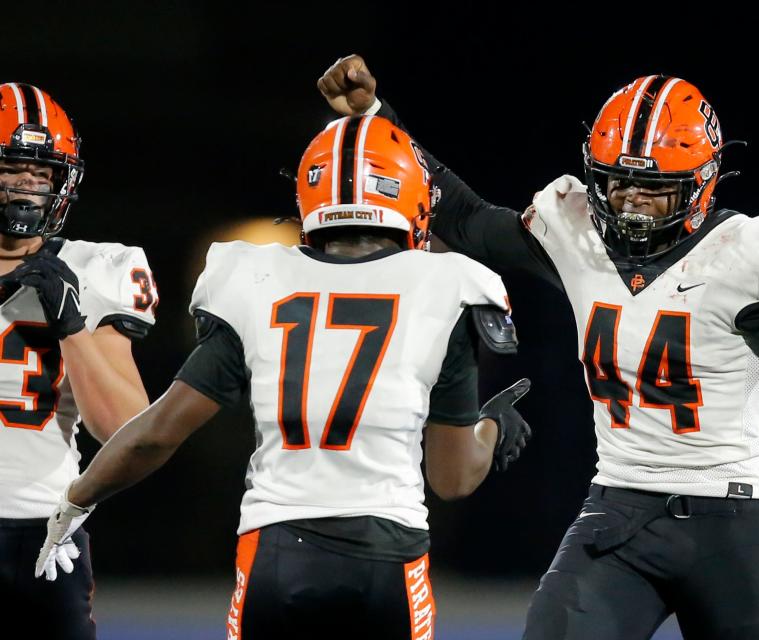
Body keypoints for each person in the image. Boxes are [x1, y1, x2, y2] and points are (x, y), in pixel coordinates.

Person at [318, 56, 759, 640]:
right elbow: (464, 216)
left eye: (652, 188)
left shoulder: (747, 259)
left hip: (736, 523)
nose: (631, 202)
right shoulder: (579, 238)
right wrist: (375, 120)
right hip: (620, 508)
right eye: (619, 183)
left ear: (700, 184)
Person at [36, 114, 532, 640]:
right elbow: (453, 478)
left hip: (274, 554)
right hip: (387, 557)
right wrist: (491, 429)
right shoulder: (447, 285)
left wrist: (75, 498)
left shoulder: (256, 280)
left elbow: (156, 433)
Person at [0, 83, 156, 639]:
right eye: (13, 165)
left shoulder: (95, 268)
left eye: (42, 172)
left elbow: (124, 429)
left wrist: (70, 323)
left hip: (42, 533)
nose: (28, 184)